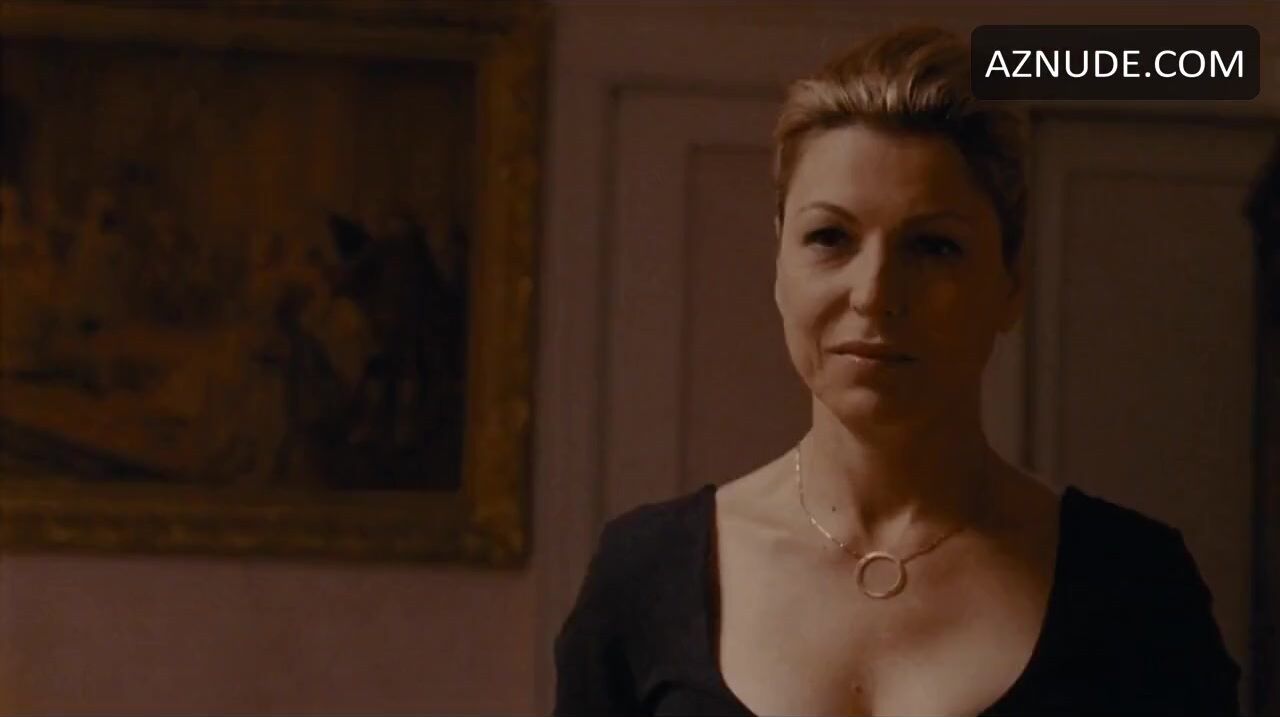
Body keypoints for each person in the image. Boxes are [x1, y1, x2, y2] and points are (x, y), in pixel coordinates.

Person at [551, 26, 1242, 717]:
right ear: (780, 265)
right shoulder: (644, 575)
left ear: (1011, 282)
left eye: (933, 246)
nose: (875, 293)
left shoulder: (1136, 587)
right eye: (830, 237)